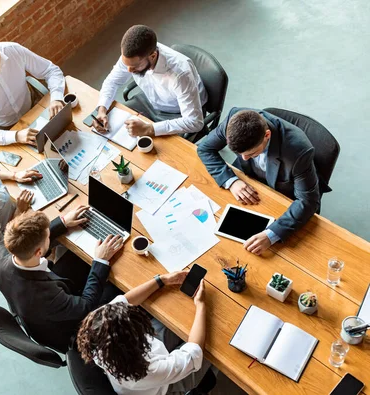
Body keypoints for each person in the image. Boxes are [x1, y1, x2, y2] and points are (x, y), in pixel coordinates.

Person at [0, 209, 124, 352]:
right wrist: (100, 260)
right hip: (68, 328)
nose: (49, 235)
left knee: (77, 258)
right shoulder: (44, 295)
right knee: (116, 288)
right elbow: (85, 306)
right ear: (39, 252)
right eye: (48, 236)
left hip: (38, 301)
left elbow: (25, 241)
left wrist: (63, 223)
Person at [197, 108, 321, 255]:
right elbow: (205, 149)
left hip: (283, 195)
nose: (243, 158)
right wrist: (231, 181)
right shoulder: (234, 120)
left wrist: (271, 235)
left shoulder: (298, 151)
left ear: (267, 135)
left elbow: (308, 201)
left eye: (251, 153)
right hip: (247, 182)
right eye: (240, 154)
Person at [77, 272, 212, 395]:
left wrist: (161, 280)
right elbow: (194, 352)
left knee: (180, 318)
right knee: (211, 346)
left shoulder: (98, 329)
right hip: (163, 386)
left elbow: (126, 300)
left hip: (151, 354)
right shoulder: (146, 372)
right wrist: (200, 305)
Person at [94, 25, 207, 138]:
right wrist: (102, 109)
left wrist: (149, 128)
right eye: (126, 64)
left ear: (153, 56)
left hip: (178, 111)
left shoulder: (181, 74)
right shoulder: (131, 56)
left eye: (134, 66)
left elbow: (195, 122)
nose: (129, 70)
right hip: (151, 102)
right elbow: (112, 81)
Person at [0, 27, 65, 147]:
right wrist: (16, 136)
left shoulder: (13, 50)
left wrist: (56, 97)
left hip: (32, 109)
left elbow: (51, 71)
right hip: (4, 130)